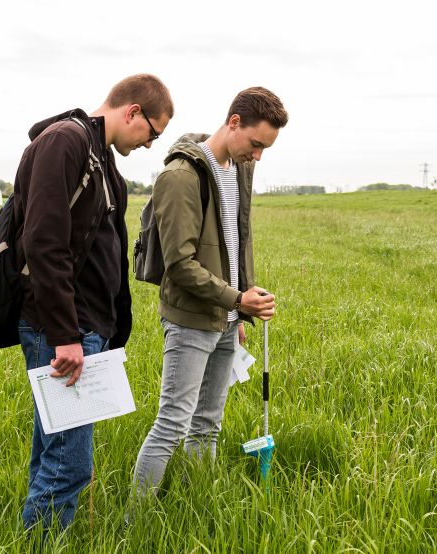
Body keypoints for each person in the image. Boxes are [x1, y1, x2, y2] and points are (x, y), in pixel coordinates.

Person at [13, 74, 174, 531]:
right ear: (133, 112)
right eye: (152, 133)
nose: (149, 144)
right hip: (61, 331)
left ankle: (36, 537)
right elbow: (43, 242)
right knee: (69, 464)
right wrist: (65, 335)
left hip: (85, 329)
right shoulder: (66, 141)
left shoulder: (101, 158)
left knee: (53, 452)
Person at [131, 86, 288, 500]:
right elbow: (180, 266)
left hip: (226, 317)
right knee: (173, 424)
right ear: (233, 122)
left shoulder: (240, 170)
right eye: (255, 144)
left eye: (265, 149)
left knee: (209, 424)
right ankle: (135, 521)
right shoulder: (181, 177)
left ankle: (197, 502)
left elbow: (238, 242)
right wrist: (236, 300)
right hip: (190, 319)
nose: (257, 156)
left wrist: (239, 311)